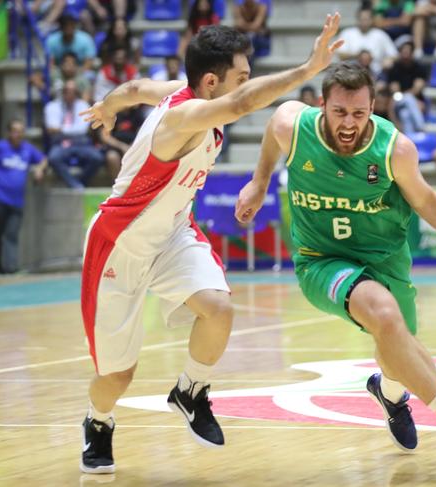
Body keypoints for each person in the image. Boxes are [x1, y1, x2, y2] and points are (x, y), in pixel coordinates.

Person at [77, 16, 344, 474]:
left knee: (218, 307)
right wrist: (306, 69)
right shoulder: (184, 116)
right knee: (117, 376)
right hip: (119, 244)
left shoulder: (179, 93)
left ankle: (190, 391)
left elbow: (138, 86)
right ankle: (98, 421)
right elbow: (241, 103)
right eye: (241, 76)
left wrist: (108, 104)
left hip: (173, 232)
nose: (246, 84)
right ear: (211, 82)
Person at [235, 61, 436, 458]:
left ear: (373, 107)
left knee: (398, 352)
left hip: (385, 259)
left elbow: (427, 201)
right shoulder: (292, 127)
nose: (349, 123)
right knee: (384, 314)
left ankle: (388, 393)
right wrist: (259, 183)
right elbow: (269, 136)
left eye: (359, 113)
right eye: (340, 112)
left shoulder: (394, 149)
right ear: (321, 105)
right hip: (321, 261)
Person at [0, 120, 47, 274]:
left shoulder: (27, 149)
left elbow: (43, 159)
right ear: (9, 133)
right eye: (15, 131)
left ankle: (11, 268)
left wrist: (39, 169)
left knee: (12, 234)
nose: (18, 134)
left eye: (21, 131)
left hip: (17, 201)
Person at [44, 80, 104, 188]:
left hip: (80, 143)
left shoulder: (83, 105)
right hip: (60, 143)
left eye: (73, 92)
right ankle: (76, 185)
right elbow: (50, 128)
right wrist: (71, 130)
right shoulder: (52, 106)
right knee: (53, 158)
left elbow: (82, 130)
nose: (70, 94)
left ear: (77, 93)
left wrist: (60, 129)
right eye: (67, 91)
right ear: (63, 92)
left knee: (97, 158)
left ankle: (78, 182)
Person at [336, 8, 397, 78]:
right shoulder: (347, 33)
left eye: (366, 19)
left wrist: (388, 60)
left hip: (376, 74)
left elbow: (394, 54)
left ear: (372, 20)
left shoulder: (380, 34)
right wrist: (359, 56)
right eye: (362, 19)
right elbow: (340, 54)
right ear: (357, 20)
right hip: (352, 73)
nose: (364, 22)